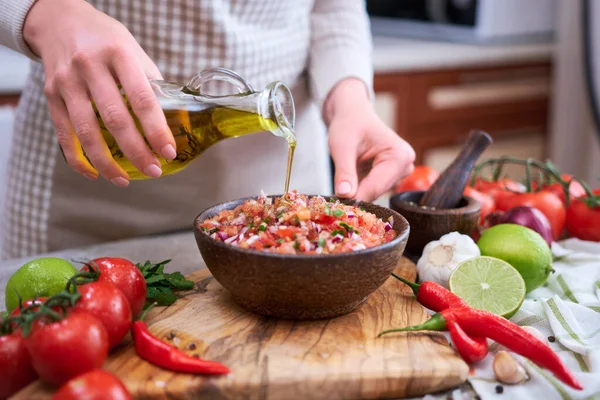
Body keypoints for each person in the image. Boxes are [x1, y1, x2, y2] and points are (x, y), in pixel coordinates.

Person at [0, 0, 415, 260]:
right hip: (90, 185)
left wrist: (349, 98)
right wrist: (46, 12)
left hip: (272, 169)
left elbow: (332, 8)